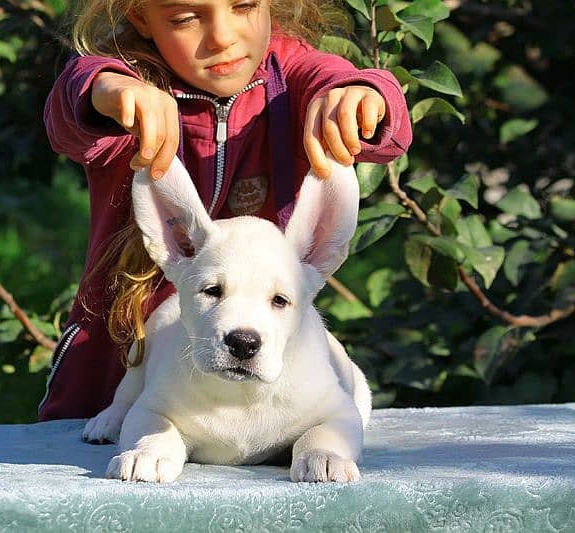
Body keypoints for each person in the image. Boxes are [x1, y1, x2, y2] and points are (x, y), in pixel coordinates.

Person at [39, 0, 412, 420]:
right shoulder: (127, 85)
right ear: (141, 16)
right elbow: (71, 107)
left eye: (244, 6)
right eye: (185, 18)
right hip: (117, 356)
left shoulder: (293, 77)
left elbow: (355, 94)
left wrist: (361, 96)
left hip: (257, 372)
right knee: (80, 464)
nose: (222, 36)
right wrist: (109, 91)